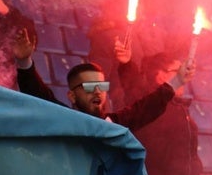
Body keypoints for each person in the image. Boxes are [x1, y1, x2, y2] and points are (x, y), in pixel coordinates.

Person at [13, 28, 196, 132]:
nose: (97, 91)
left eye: (101, 85)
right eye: (89, 86)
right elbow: (38, 94)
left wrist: (177, 81)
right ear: (72, 96)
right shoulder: (66, 120)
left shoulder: (115, 124)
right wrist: (24, 62)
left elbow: (148, 106)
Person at [114, 40, 202, 175]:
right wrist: (127, 65)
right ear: (160, 75)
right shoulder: (150, 105)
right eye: (177, 70)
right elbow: (135, 91)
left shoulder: (181, 110)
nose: (185, 75)